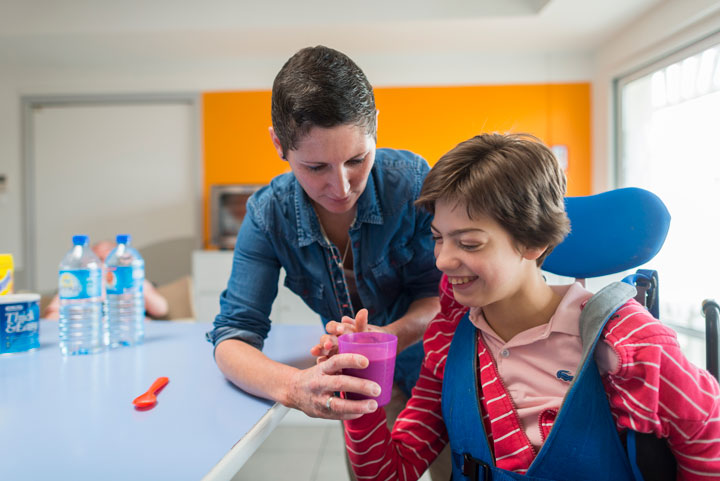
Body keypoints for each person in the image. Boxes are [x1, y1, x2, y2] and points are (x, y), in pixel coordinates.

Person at [329, 133, 720, 480]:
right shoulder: (450, 344)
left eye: (468, 244)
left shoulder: (631, 347)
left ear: (533, 242)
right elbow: (388, 472)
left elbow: (708, 440)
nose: (443, 261)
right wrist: (359, 396)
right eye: (437, 238)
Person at [205, 46, 450, 479]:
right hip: (358, 387)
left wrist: (383, 339)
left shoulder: (412, 181)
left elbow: (439, 298)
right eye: (316, 166)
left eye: (357, 159)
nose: (341, 187)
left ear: (375, 127)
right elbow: (232, 339)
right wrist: (295, 386)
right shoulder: (267, 215)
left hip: (437, 373)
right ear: (279, 145)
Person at [43, 240, 169, 320]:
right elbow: (51, 317)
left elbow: (161, 309)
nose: (106, 265)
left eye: (111, 259)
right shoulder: (78, 284)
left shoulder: (133, 281)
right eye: (100, 259)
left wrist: (135, 280)